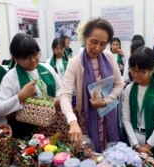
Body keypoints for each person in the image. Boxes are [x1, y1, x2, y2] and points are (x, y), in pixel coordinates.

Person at [60, 18, 124, 152]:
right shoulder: (75, 63)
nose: (97, 48)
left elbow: (119, 84)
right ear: (85, 38)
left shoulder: (109, 57)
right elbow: (64, 95)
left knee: (110, 155)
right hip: (87, 121)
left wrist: (105, 101)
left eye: (103, 44)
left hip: (108, 119)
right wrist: (72, 121)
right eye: (94, 42)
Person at [0, 33, 61, 138]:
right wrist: (20, 97)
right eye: (27, 58)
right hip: (27, 133)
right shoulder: (11, 78)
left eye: (35, 54)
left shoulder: (47, 68)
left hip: (53, 127)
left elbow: (60, 89)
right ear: (15, 58)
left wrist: (58, 98)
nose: (33, 60)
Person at [122, 46, 154, 161]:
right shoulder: (129, 89)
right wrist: (136, 145)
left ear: (152, 69)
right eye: (133, 70)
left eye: (142, 71)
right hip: (133, 140)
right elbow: (125, 119)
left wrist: (148, 146)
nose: (136, 74)